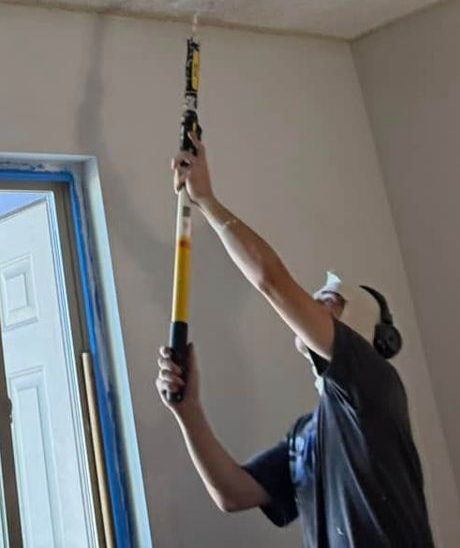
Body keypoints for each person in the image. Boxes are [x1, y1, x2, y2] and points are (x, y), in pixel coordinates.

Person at [155, 135, 435, 547]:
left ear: (361, 331)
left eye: (328, 301)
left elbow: (272, 282)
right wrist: (188, 411)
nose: (310, 304)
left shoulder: (375, 386)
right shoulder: (311, 433)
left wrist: (207, 202)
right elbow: (232, 493)